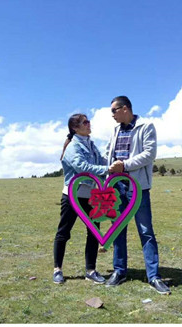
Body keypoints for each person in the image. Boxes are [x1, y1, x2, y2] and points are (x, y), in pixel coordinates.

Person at [103, 96, 170, 295]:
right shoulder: (115, 130)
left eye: (114, 111)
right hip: (117, 187)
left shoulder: (146, 126)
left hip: (138, 188)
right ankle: (119, 271)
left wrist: (124, 165)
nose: (112, 115)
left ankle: (154, 276)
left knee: (146, 231)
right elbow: (109, 152)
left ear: (125, 109)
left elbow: (149, 154)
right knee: (117, 230)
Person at [54, 114, 109, 285]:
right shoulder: (73, 147)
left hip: (92, 196)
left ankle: (91, 270)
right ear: (75, 128)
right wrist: (107, 169)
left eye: (88, 121)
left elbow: (101, 160)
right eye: (85, 122)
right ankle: (57, 269)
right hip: (73, 196)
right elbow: (82, 167)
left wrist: (117, 165)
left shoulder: (91, 145)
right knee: (64, 232)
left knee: (93, 232)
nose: (89, 123)